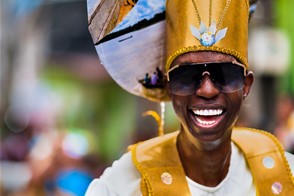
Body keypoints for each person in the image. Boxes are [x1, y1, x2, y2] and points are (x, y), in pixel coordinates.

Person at [86, 0, 294, 195]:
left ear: (246, 85)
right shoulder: (121, 187)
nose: (207, 90)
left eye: (224, 74)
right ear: (168, 86)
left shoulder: (286, 175)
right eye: (186, 76)